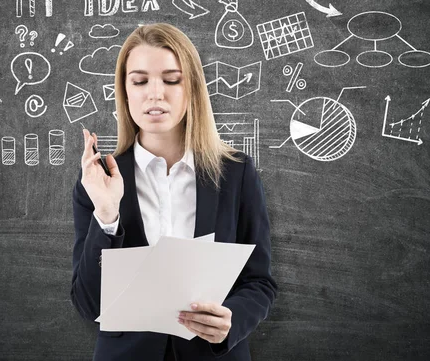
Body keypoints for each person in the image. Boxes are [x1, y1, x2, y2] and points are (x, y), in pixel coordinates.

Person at [71, 23, 277, 360]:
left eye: (171, 80)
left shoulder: (235, 173)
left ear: (192, 88)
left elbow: (259, 282)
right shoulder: (99, 180)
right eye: (139, 81)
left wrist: (232, 321)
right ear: (124, 92)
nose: (155, 94)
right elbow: (87, 303)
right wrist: (106, 217)